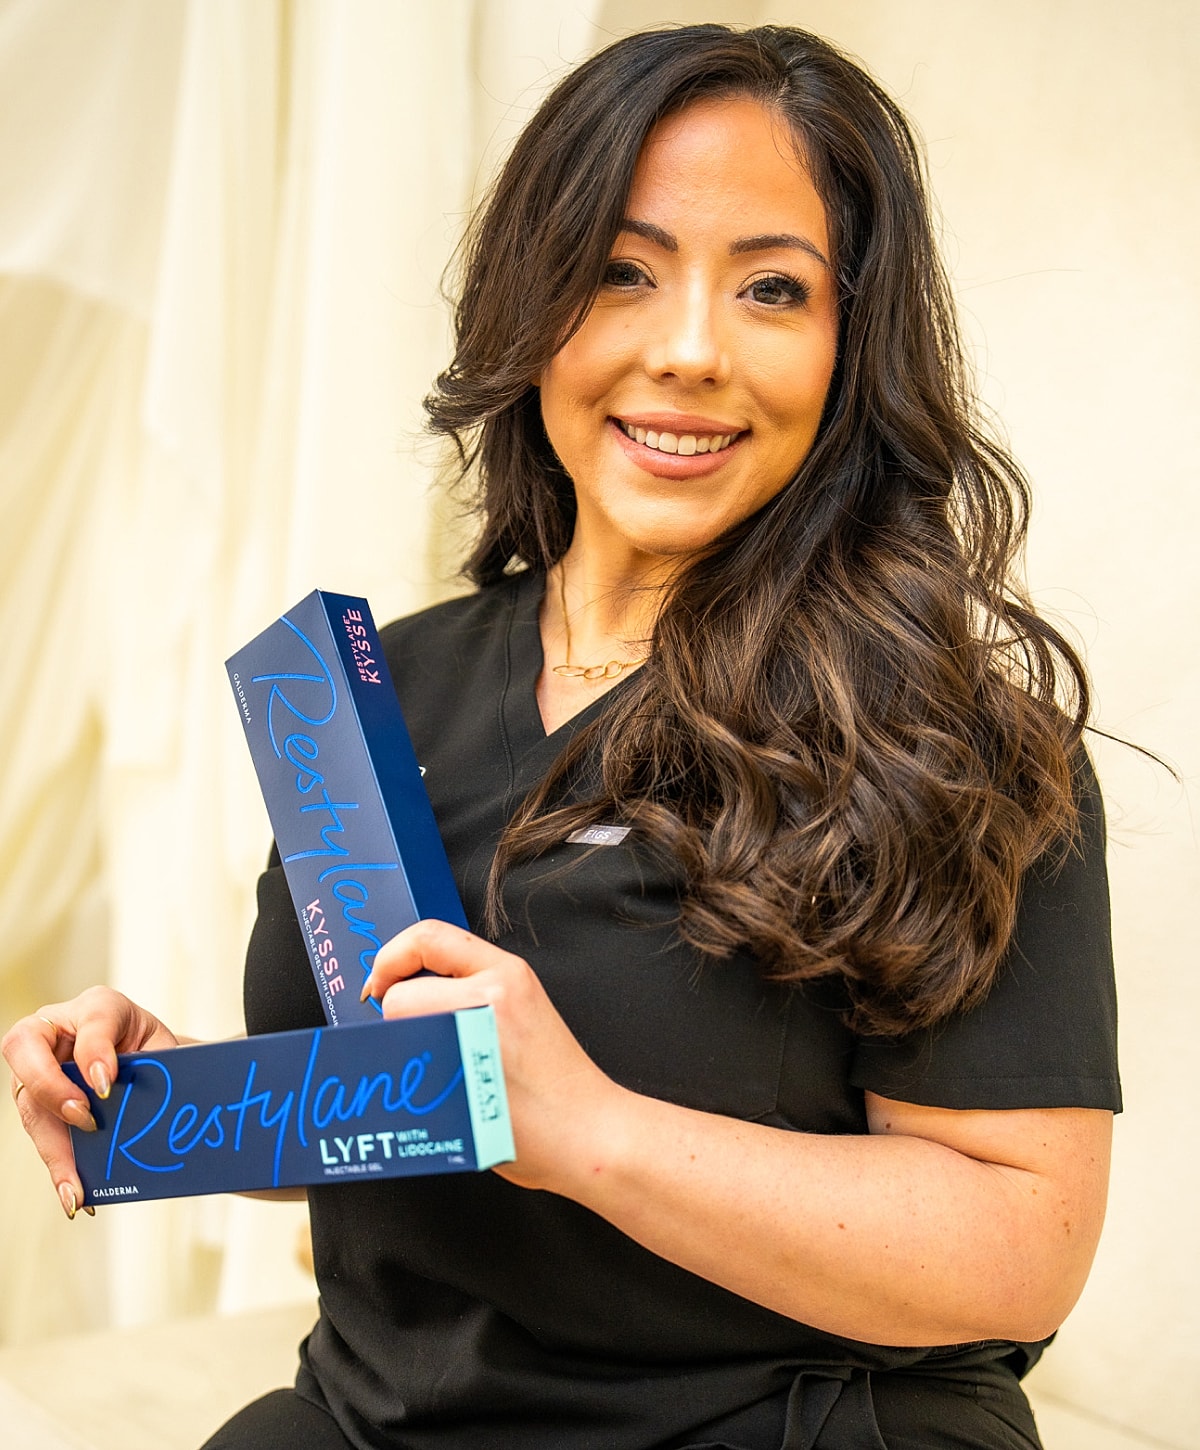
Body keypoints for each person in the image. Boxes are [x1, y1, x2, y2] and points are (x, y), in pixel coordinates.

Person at [3, 24, 1120, 1450]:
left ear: (852, 345)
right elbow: (394, 1118)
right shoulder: (362, 693)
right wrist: (169, 1091)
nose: (693, 350)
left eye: (773, 288)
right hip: (383, 1416)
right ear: (535, 307)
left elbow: (1025, 1240)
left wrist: (587, 1128)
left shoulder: (954, 742)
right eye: (621, 272)